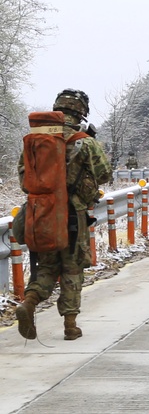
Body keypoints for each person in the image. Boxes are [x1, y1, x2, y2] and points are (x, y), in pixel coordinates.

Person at [15, 89, 112, 341]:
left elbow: (24, 179)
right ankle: (70, 325)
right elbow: (104, 174)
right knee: (72, 268)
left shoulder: (36, 140)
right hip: (74, 214)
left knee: (46, 266)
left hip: (42, 213)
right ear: (81, 112)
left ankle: (30, 301)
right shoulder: (85, 141)